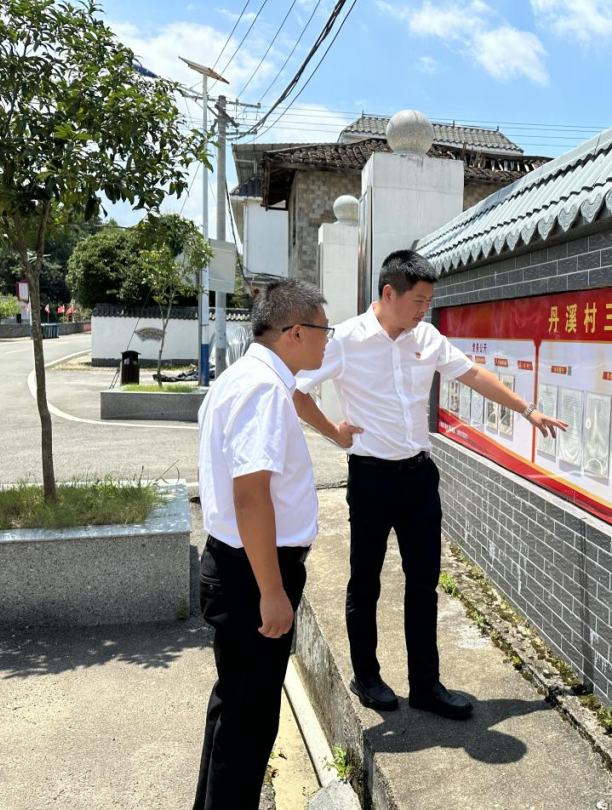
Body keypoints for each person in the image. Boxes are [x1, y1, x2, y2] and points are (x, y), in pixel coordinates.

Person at [293, 249, 567, 721]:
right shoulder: (347, 339)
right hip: (371, 477)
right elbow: (297, 389)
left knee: (423, 583)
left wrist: (527, 410)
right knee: (366, 580)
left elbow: (473, 372)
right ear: (389, 293)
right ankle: (367, 676)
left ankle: (425, 685)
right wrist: (333, 432)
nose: (425, 310)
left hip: (419, 478)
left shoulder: (427, 338)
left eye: (428, 302)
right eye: (418, 301)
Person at [193, 278, 351, 810]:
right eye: (324, 330)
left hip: (239, 564)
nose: (328, 340)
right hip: (252, 573)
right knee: (249, 723)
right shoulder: (262, 389)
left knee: (233, 709)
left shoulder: (247, 377)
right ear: (295, 332)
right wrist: (272, 590)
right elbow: (251, 496)